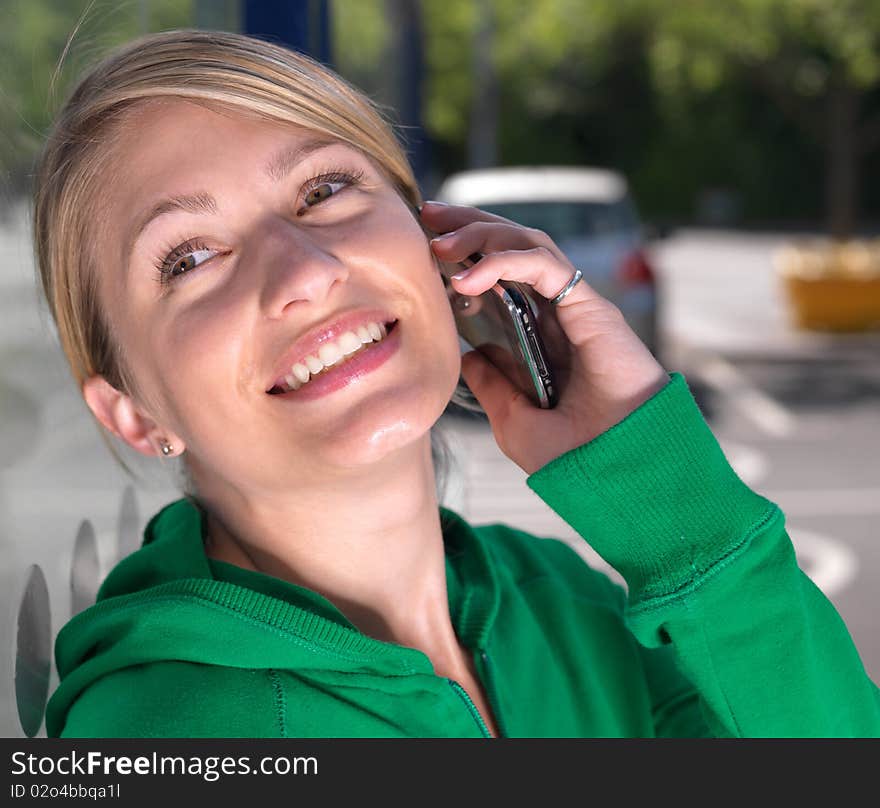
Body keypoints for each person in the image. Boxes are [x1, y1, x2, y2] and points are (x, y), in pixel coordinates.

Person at [36, 29, 878, 739]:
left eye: (325, 190)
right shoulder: (159, 733)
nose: (306, 269)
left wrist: (670, 500)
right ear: (133, 413)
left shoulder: (560, 604)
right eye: (190, 257)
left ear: (436, 241)